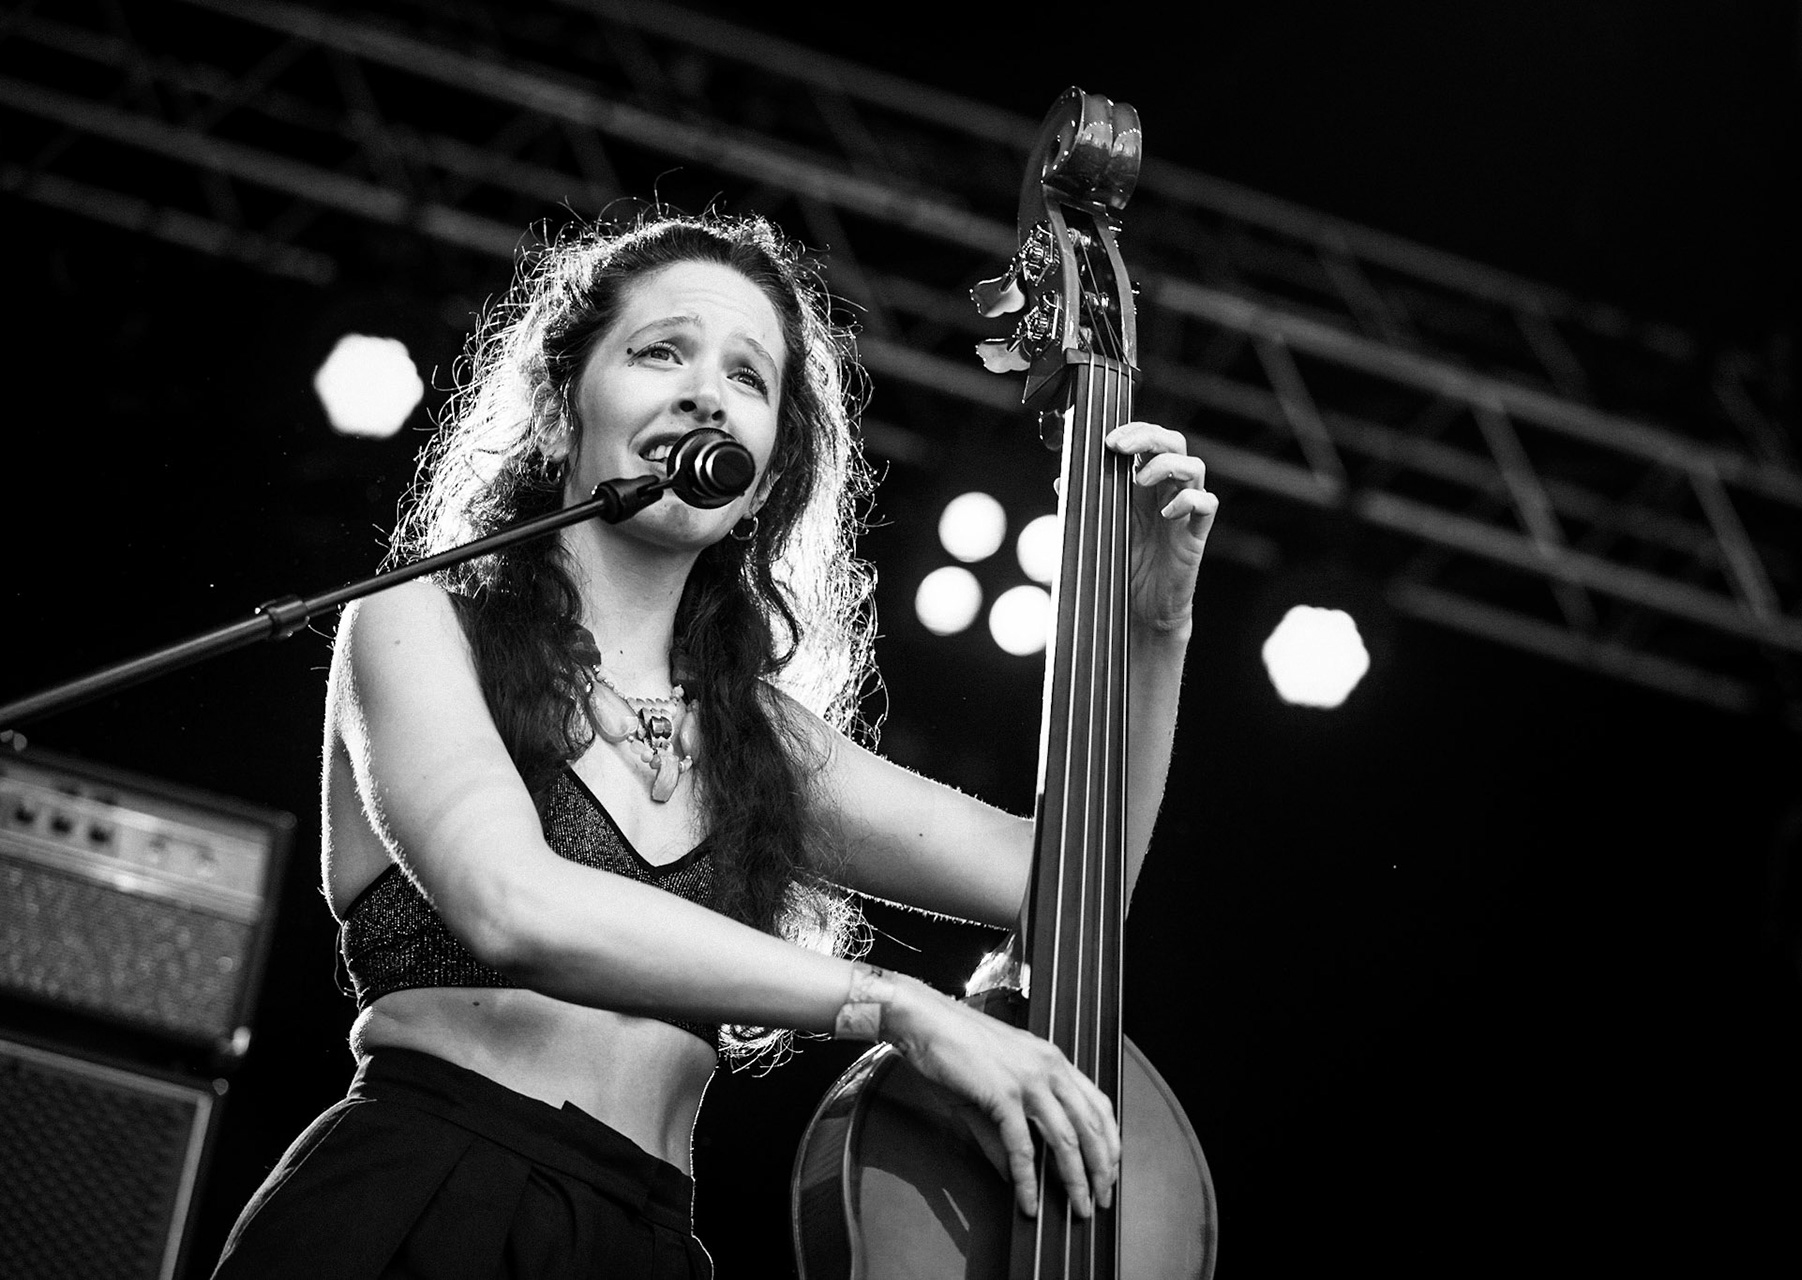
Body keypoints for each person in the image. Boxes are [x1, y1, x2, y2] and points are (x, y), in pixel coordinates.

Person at [210, 209, 1216, 1278]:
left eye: (748, 376)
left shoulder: (756, 739)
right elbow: (510, 901)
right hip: (423, 1198)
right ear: (557, 411)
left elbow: (1069, 888)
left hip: (643, 1245)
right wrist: (888, 1000)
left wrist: (1154, 630)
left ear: (765, 478)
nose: (707, 392)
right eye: (661, 352)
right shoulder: (417, 621)